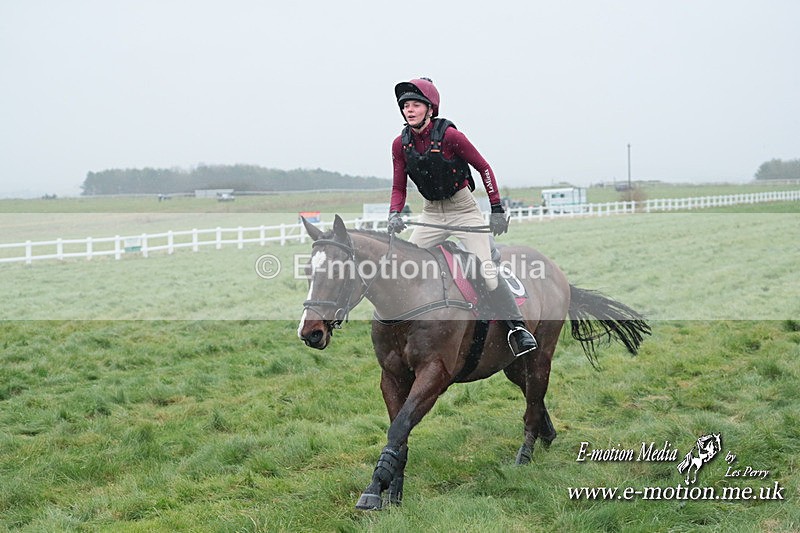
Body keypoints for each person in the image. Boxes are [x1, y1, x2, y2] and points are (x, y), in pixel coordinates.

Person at [387, 77, 537, 356]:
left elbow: (484, 167)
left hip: (463, 210)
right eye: (405, 105)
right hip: (431, 213)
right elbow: (398, 186)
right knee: (403, 264)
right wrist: (394, 213)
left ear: (430, 108)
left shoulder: (450, 136)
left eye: (415, 105)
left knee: (486, 271)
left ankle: (517, 329)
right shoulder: (400, 144)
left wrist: (496, 209)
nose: (409, 110)